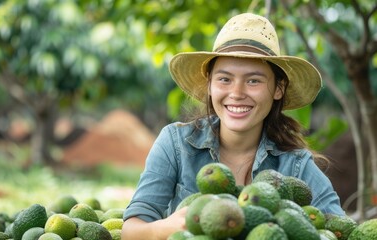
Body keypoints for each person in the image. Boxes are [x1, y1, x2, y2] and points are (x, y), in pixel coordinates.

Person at [121, 12, 345, 240]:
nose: (236, 94)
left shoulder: (295, 166)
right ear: (209, 85)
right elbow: (131, 230)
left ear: (279, 88)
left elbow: (340, 229)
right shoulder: (175, 144)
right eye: (225, 79)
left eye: (253, 81)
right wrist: (164, 229)